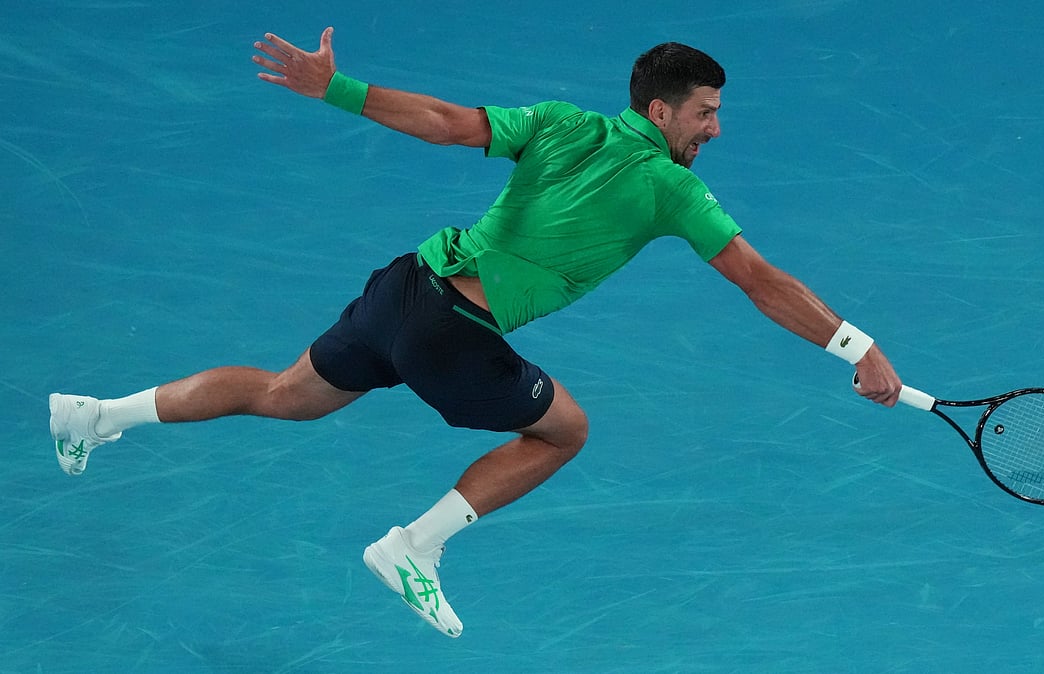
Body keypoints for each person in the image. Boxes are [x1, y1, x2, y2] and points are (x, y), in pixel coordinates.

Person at [49, 27, 903, 638]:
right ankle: (412, 548)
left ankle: (95, 414)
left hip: (406, 285)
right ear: (661, 109)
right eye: (705, 113)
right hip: (455, 333)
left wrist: (336, 88)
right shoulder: (672, 189)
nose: (714, 128)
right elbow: (760, 280)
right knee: (564, 430)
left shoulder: (563, 121)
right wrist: (858, 348)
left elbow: (446, 121)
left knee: (284, 394)